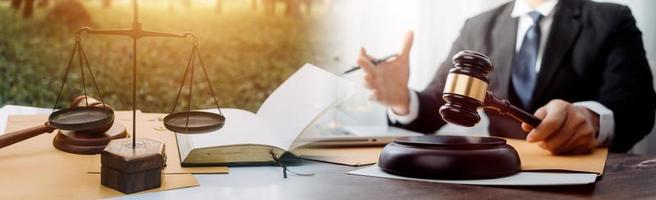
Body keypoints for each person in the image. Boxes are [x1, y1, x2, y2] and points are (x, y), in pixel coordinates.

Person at [357, 0, 656, 154]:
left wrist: (591, 118)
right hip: (498, 175)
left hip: (584, 175)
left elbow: (638, 109)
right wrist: (401, 98)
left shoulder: (613, 19)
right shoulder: (478, 26)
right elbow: (439, 102)